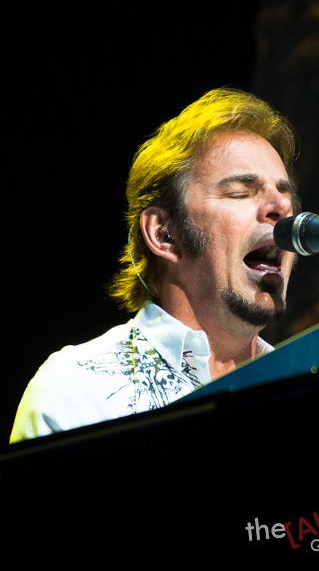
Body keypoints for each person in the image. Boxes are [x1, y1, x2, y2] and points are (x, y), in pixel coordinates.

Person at [10, 88, 300, 442]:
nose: (280, 208)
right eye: (240, 192)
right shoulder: (79, 390)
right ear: (164, 234)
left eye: (286, 198)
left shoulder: (307, 392)